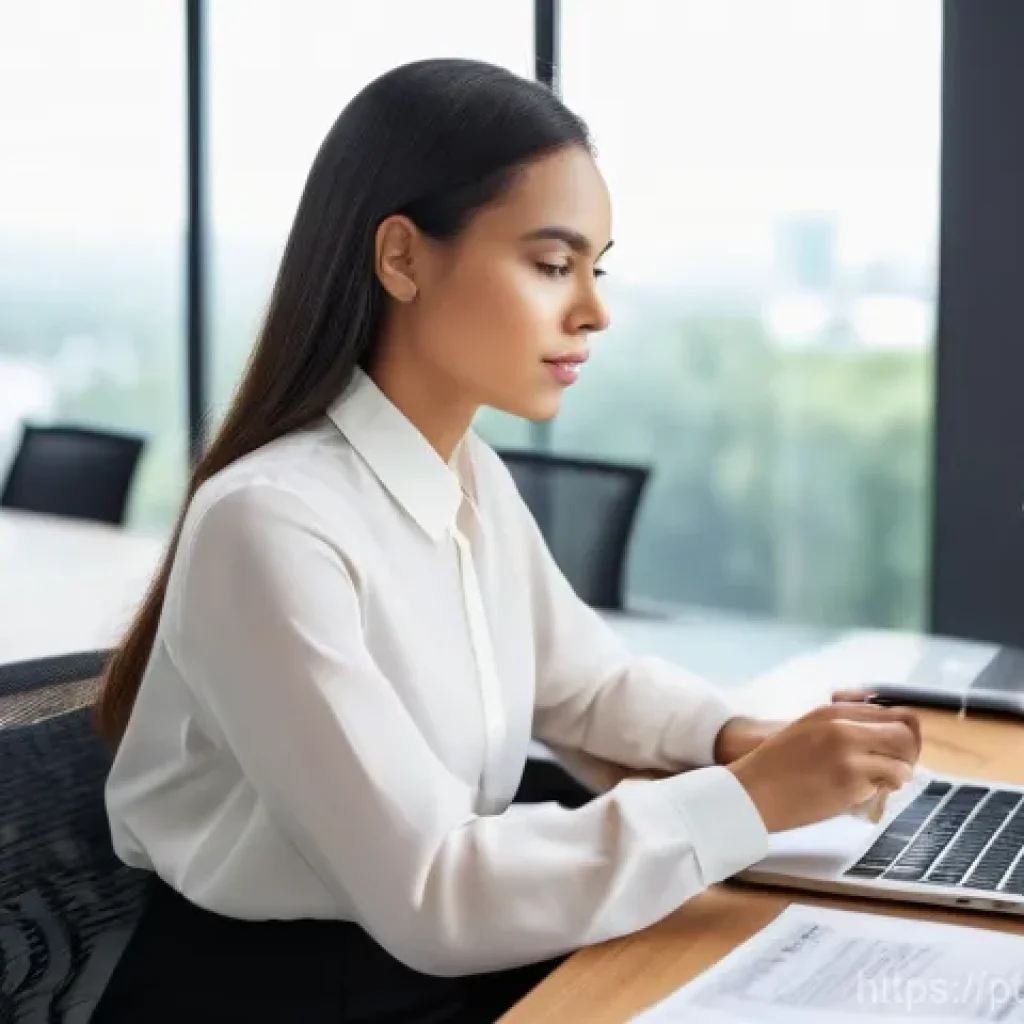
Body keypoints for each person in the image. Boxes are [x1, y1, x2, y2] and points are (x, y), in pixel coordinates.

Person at [90, 59, 921, 1023]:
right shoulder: (269, 522)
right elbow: (435, 888)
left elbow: (584, 685)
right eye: (550, 263)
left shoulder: (467, 474)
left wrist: (735, 740)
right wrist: (748, 801)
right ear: (400, 257)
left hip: (427, 962)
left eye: (594, 268)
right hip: (284, 994)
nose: (594, 311)